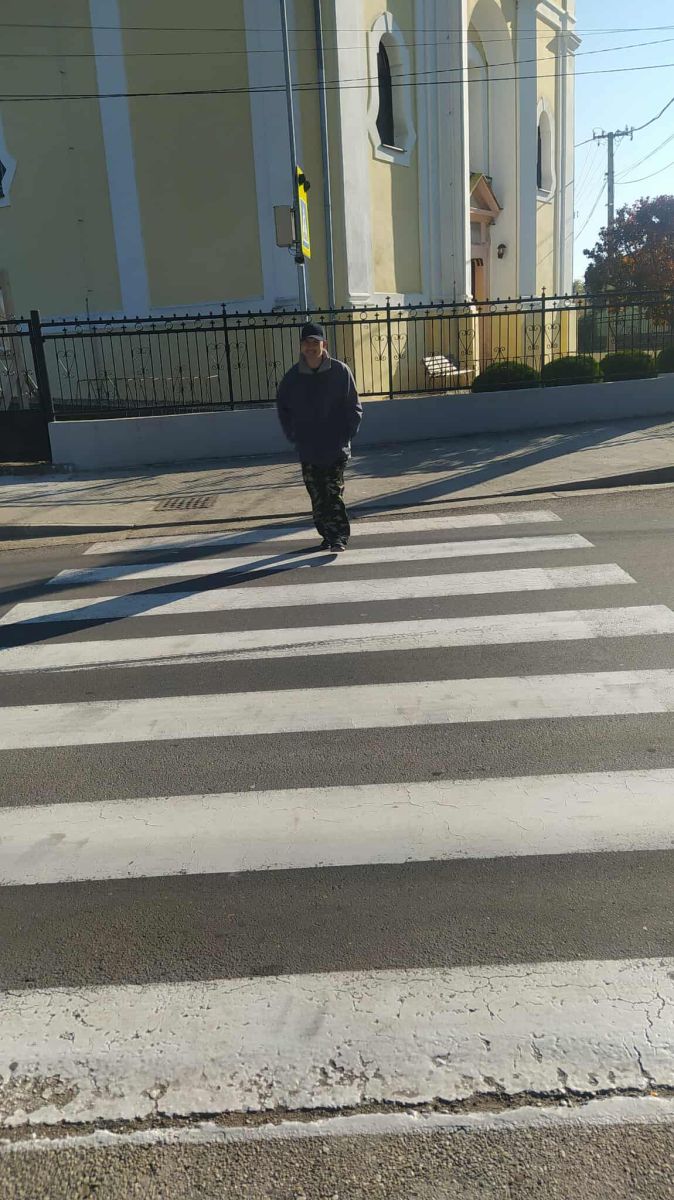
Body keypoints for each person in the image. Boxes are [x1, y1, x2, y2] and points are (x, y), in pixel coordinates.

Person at [276, 321, 363, 552]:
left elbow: (354, 407)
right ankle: (326, 534)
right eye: (307, 343)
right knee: (317, 496)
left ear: (324, 344)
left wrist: (346, 435)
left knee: (333, 493)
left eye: (315, 342)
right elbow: (283, 408)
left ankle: (338, 537)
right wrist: (293, 435)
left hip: (335, 447)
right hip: (308, 449)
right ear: (301, 346)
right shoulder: (293, 378)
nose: (311, 347)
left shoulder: (340, 372)